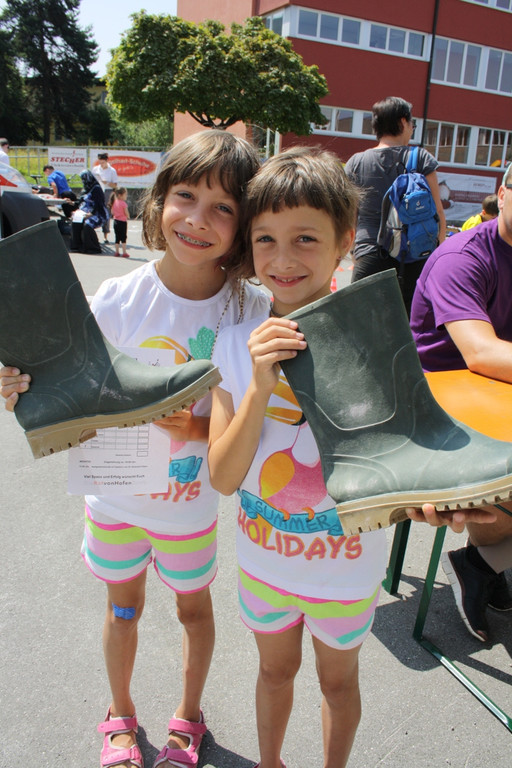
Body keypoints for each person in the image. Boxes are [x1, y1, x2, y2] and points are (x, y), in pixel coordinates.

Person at [0, 129, 268, 768]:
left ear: (243, 225)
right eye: (184, 196)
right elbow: (59, 379)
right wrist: (18, 387)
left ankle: (190, 717)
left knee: (194, 613)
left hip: (187, 508)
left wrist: (198, 431)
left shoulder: (249, 310)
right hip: (114, 500)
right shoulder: (117, 298)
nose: (198, 220)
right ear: (156, 203)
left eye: (223, 208)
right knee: (122, 609)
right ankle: (118, 714)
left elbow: (264, 424)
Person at [208, 147, 388, 768]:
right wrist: (259, 384)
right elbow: (226, 478)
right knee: (274, 672)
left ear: (343, 242)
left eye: (306, 238)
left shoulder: (380, 347)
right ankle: (270, 762)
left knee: (338, 683)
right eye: (265, 240)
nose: (283, 260)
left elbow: (402, 468)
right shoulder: (232, 347)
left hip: (344, 571)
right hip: (266, 566)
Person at [409, 163, 512, 643]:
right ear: (503, 191)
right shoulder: (465, 256)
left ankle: (482, 564)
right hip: (443, 406)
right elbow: (481, 353)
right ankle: (483, 562)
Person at [344, 96, 446, 315]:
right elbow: (437, 210)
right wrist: (438, 250)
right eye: (412, 124)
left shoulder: (356, 162)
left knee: (362, 319)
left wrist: (353, 249)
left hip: (369, 249)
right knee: (411, 321)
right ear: (402, 122)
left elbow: (350, 215)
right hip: (415, 253)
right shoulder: (420, 158)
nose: (412, 129)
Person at [70, 169, 108, 254]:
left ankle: (93, 247)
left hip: (98, 213)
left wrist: (90, 214)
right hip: (85, 212)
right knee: (75, 222)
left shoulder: (96, 189)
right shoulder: (86, 188)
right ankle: (77, 246)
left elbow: (99, 204)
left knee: (87, 225)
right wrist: (72, 203)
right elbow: (80, 201)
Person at [92, 152, 119, 243]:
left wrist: (106, 182)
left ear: (107, 161)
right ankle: (92, 234)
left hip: (107, 191)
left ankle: (105, 235)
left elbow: (115, 185)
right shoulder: (95, 169)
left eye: (103, 162)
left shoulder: (112, 170)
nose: (101, 164)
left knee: (106, 213)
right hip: (97, 191)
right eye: (100, 162)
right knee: (94, 211)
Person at [110, 186, 130, 258]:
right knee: (123, 237)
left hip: (115, 221)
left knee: (117, 237)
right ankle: (124, 252)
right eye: (125, 194)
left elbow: (112, 212)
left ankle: (117, 252)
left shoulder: (114, 202)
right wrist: (128, 216)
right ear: (120, 195)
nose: (126, 196)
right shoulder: (123, 203)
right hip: (122, 222)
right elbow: (126, 212)